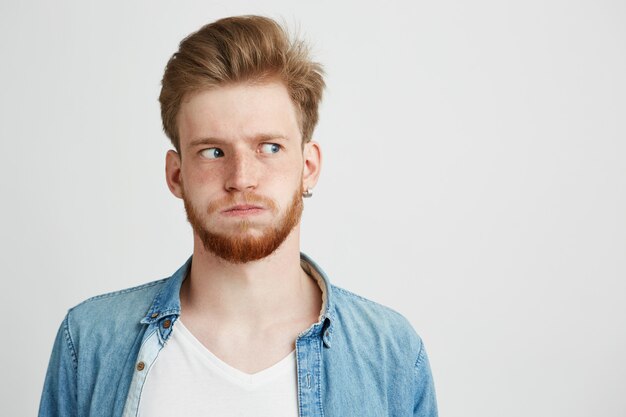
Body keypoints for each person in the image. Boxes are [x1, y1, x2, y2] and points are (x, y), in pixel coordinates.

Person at [38, 15, 438, 417]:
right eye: (212, 151)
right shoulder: (91, 342)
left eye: (269, 147)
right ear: (176, 175)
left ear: (309, 166)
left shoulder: (391, 353)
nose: (241, 179)